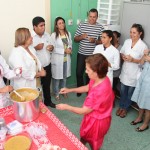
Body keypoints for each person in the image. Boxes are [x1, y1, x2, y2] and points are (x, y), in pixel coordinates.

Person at [56, 54, 114, 150]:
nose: (85, 72)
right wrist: (70, 90)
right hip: (93, 116)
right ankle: (81, 145)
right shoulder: (101, 78)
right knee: (84, 136)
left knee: (94, 142)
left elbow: (84, 111)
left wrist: (66, 107)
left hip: (97, 123)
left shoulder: (99, 91)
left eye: (88, 70)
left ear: (96, 72)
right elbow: (87, 87)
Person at [116, 23, 148, 118]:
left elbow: (143, 62)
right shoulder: (127, 41)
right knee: (122, 91)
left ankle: (125, 108)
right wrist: (124, 57)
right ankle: (121, 106)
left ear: (140, 33)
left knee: (130, 93)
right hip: (125, 71)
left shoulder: (143, 46)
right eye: (131, 32)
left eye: (134, 33)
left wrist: (133, 60)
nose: (132, 34)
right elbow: (122, 53)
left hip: (134, 73)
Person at [74, 8, 104, 97]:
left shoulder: (100, 27)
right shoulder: (82, 25)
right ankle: (79, 89)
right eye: (90, 16)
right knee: (79, 73)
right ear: (88, 16)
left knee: (90, 74)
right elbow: (75, 39)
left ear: (97, 17)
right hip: (81, 54)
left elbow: (103, 41)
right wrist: (81, 37)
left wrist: (95, 41)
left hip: (93, 56)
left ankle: (89, 90)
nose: (92, 19)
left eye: (94, 17)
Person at [8, 28, 46, 92]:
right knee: (28, 101)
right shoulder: (16, 53)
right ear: (23, 38)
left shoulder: (30, 47)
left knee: (38, 99)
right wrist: (40, 74)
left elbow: (36, 60)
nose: (32, 38)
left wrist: (41, 68)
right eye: (29, 36)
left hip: (35, 82)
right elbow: (24, 72)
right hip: (24, 86)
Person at [31, 16, 56, 108]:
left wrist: (51, 47)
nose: (43, 27)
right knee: (36, 87)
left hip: (47, 65)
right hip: (36, 68)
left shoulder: (47, 35)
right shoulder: (30, 37)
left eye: (44, 25)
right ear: (34, 27)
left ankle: (48, 102)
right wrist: (35, 48)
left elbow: (53, 45)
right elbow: (26, 51)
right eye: (41, 25)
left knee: (46, 85)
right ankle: (36, 105)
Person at [51, 17, 72, 101]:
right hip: (57, 60)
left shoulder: (68, 33)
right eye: (59, 23)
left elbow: (70, 43)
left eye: (63, 22)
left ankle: (63, 91)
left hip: (66, 60)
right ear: (56, 25)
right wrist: (64, 50)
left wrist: (69, 49)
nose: (62, 24)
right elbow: (53, 48)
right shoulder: (53, 35)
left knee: (64, 77)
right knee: (57, 79)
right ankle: (56, 93)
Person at [131, 49, 150, 132]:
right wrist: (144, 55)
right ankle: (139, 118)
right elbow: (141, 64)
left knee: (148, 106)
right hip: (142, 81)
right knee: (140, 101)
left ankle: (145, 124)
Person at [112, 31, 122, 97]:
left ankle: (112, 101)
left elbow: (120, 61)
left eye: (114, 37)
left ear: (118, 38)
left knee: (112, 87)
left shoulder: (121, 48)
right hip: (109, 70)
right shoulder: (109, 47)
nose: (112, 38)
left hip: (116, 72)